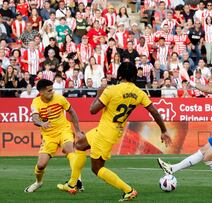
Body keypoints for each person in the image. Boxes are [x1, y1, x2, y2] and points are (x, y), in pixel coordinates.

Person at [57, 62, 172, 201]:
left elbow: (92, 110)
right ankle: (72, 184)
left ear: (120, 74)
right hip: (113, 130)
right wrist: (164, 130)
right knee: (80, 145)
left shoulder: (111, 90)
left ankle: (128, 190)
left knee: (97, 168)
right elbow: (154, 111)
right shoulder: (139, 93)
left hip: (105, 132)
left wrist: (98, 94)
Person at [24, 79, 83, 193]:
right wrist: (42, 123)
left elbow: (72, 112)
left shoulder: (59, 98)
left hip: (63, 130)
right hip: (49, 136)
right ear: (41, 92)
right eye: (49, 90)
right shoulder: (36, 102)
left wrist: (78, 131)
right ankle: (38, 182)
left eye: (53, 90)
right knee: (41, 165)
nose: (52, 92)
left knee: (69, 149)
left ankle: (76, 180)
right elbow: (35, 118)